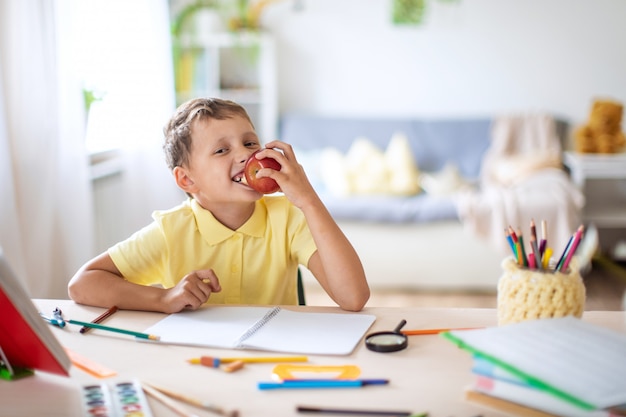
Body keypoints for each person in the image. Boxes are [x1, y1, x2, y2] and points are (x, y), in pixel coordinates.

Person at [68, 98, 370, 313]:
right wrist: (162, 299)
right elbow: (82, 284)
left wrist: (308, 199)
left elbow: (354, 298)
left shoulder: (289, 217)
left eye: (250, 143)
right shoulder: (171, 230)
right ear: (187, 180)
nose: (245, 155)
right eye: (222, 149)